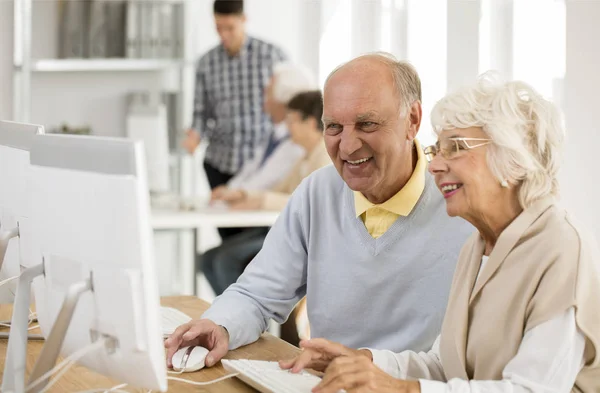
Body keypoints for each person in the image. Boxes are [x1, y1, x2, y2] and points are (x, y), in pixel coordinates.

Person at [282, 75, 600, 393]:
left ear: (513, 158)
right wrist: (363, 361)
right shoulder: (478, 246)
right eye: (438, 150)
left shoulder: (560, 248)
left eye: (456, 147)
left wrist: (401, 389)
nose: (434, 166)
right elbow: (444, 366)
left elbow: (532, 390)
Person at [164, 53, 474, 370]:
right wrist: (219, 325)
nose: (348, 145)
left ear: (412, 120)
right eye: (334, 127)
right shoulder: (317, 193)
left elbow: (464, 360)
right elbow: (256, 294)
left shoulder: (464, 207)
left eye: (367, 124)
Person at [200, 90, 331, 297]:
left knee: (226, 259)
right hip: (281, 228)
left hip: (303, 238)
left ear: (312, 123)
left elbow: (307, 202)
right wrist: (242, 195)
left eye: (293, 121)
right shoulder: (305, 157)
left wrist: (260, 201)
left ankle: (244, 322)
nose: (288, 127)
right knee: (208, 259)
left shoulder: (325, 157)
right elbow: (279, 191)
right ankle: (227, 317)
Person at [183, 0, 287, 189]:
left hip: (261, 163)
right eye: (218, 28)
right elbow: (201, 112)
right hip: (219, 163)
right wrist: (195, 136)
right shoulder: (206, 64)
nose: (224, 35)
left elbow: (287, 104)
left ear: (244, 19)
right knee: (223, 217)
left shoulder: (272, 56)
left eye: (230, 28)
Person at [211, 62, 316, 202]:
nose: (263, 95)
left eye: (269, 91)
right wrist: (230, 189)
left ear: (283, 97)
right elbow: (252, 168)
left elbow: (269, 181)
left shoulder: (297, 141)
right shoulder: (275, 134)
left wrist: (238, 193)